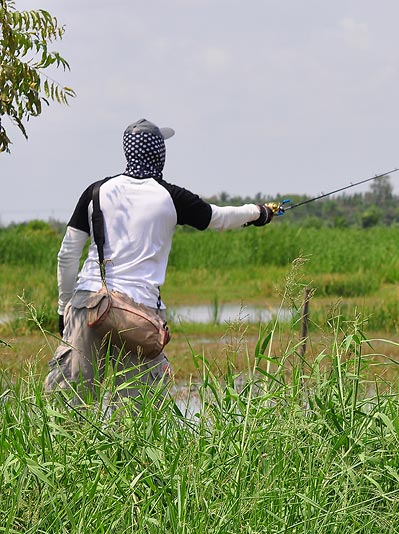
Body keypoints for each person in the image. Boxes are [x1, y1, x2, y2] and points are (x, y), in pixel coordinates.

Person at [44, 118, 278, 401]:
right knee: (134, 418)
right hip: (138, 315)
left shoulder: (95, 192)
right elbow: (220, 218)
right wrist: (259, 212)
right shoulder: (171, 196)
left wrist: (63, 309)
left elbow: (67, 255)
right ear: (158, 154)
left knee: (69, 407)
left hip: (88, 306)